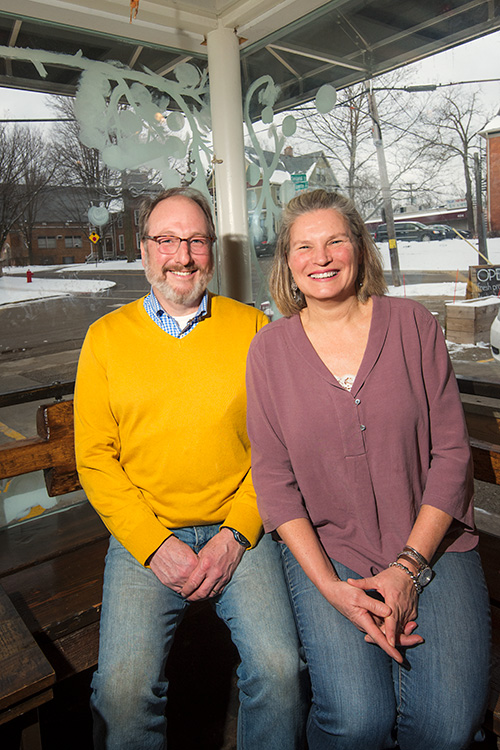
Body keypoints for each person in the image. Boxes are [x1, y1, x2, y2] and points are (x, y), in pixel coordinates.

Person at [246, 189, 491, 750]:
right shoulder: (268, 352)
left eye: (335, 240)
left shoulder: (413, 326)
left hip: (433, 546)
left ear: (359, 248)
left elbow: (452, 454)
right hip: (332, 555)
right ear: (287, 262)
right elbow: (276, 485)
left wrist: (406, 571)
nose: (321, 257)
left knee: (447, 727)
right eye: (304, 246)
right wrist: (332, 589)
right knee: (357, 721)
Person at [74, 187, 307, 750]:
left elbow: (273, 451)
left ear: (211, 249)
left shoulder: (252, 329)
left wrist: (234, 536)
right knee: (123, 694)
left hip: (239, 533)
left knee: (280, 673)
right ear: (145, 249)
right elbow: (95, 460)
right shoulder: (105, 339)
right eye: (167, 240)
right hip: (146, 538)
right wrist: (156, 546)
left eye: (196, 240)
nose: (182, 255)